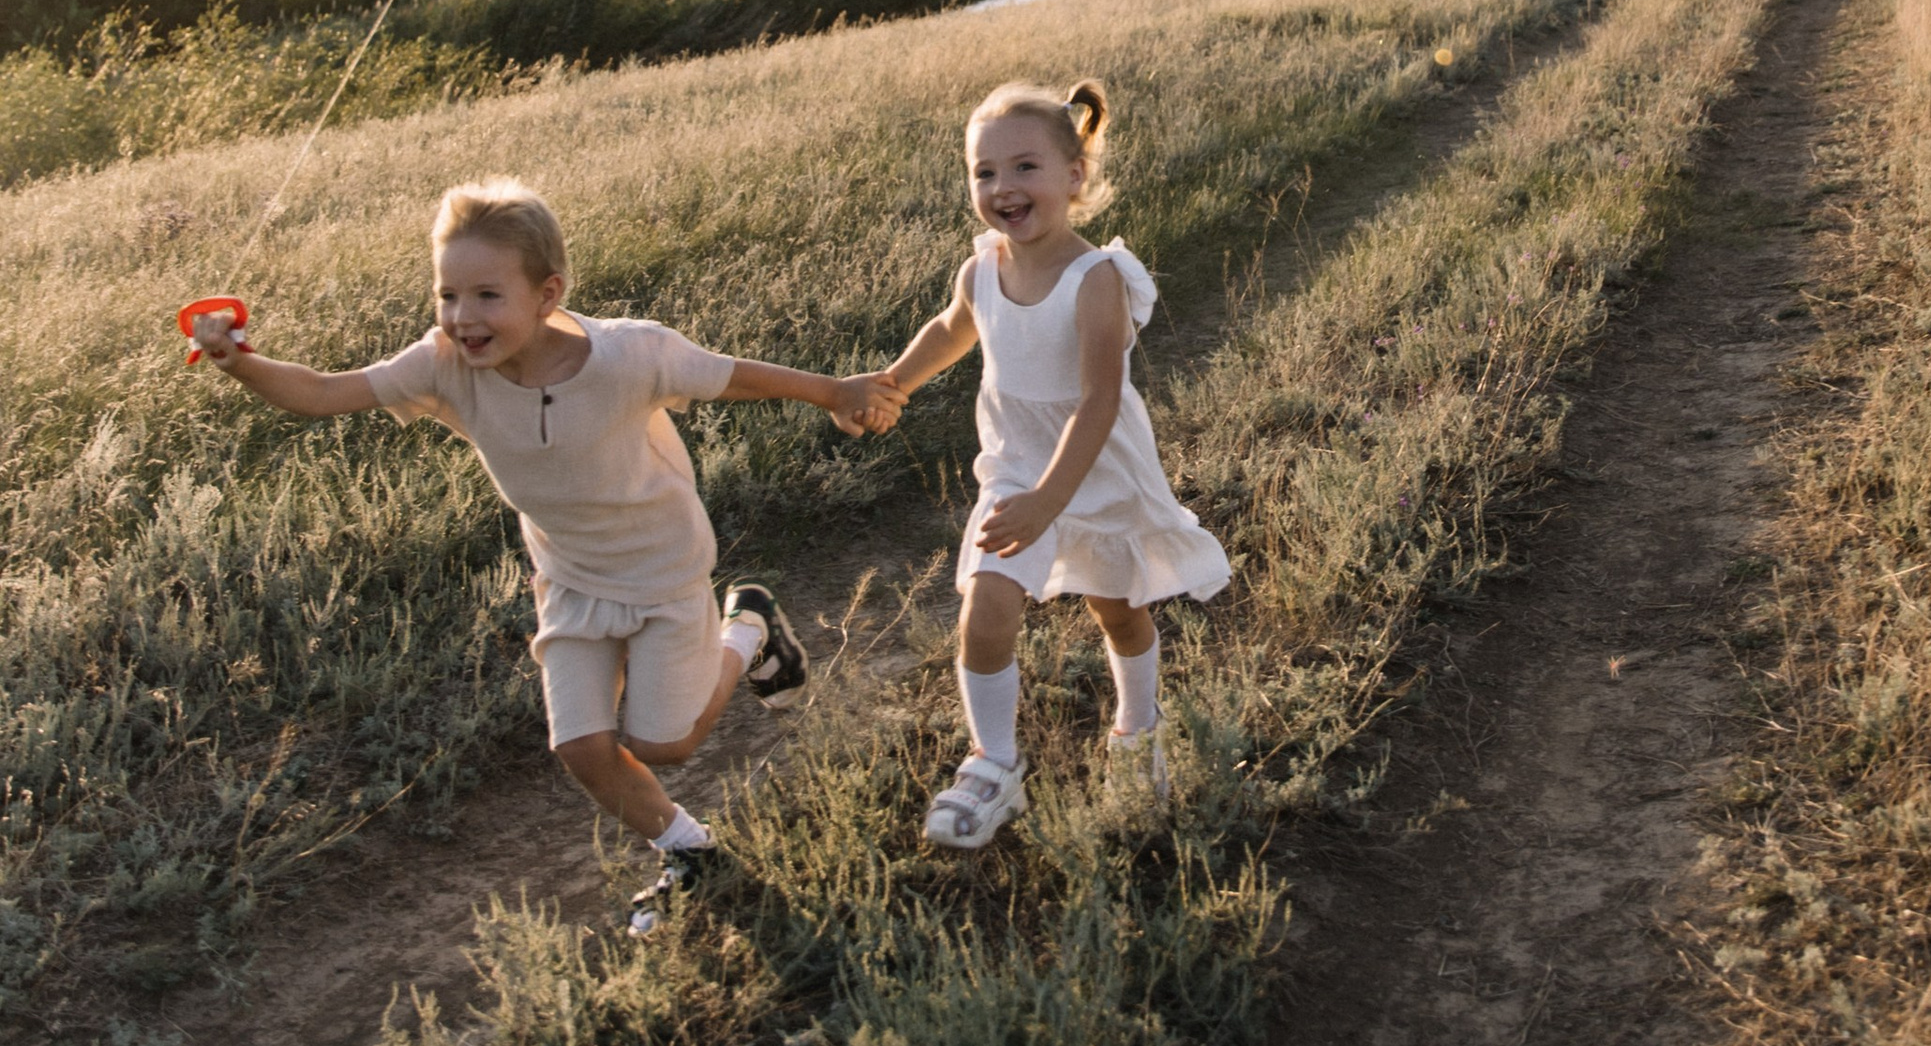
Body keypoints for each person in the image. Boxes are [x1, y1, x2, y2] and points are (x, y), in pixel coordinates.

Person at [189, 176, 900, 932]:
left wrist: (833, 389)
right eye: (448, 294)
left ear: (547, 291)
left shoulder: (631, 353)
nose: (463, 316)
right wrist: (239, 360)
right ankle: (691, 853)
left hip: (662, 569)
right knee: (582, 746)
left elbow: (735, 376)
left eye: (488, 295)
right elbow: (323, 392)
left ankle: (749, 627)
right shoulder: (442, 365)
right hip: (569, 579)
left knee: (665, 741)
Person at [861, 78, 1229, 851]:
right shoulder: (982, 268)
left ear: (1074, 176)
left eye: (1024, 167)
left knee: (1118, 610)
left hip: (1093, 468)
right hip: (1015, 466)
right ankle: (994, 764)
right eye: (984, 172)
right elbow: (951, 328)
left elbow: (1099, 402)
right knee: (986, 605)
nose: (1003, 188)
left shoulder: (1095, 280)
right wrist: (893, 382)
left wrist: (1050, 503)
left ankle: (1138, 728)